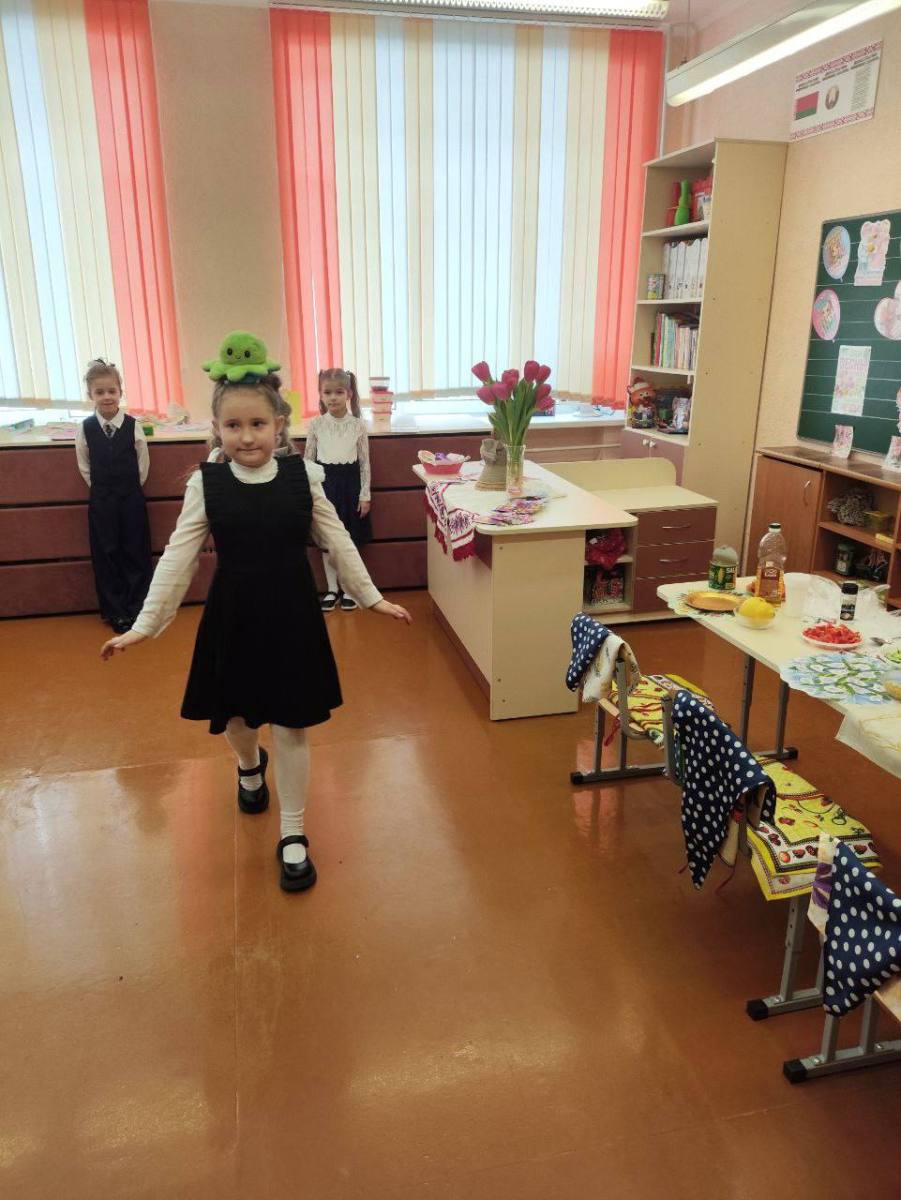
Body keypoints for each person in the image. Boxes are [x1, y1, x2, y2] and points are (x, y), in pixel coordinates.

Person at [101, 347, 411, 892]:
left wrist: (371, 597)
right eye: (233, 426)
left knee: (291, 723)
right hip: (235, 614)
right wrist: (145, 625)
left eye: (258, 424)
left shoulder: (302, 476)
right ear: (217, 429)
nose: (246, 437)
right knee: (238, 721)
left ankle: (293, 831)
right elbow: (177, 557)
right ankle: (249, 765)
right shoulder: (206, 484)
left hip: (292, 614)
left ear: (280, 424)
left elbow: (337, 538)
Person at [75, 359, 152, 633]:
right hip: (102, 500)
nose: (107, 397)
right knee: (106, 553)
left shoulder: (133, 426)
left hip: (131, 497)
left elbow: (143, 463)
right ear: (90, 395)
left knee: (135, 550)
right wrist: (101, 487)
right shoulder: (86, 428)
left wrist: (129, 487)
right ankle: (115, 611)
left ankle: (138, 608)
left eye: (112, 391)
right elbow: (84, 464)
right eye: (100, 392)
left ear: (120, 392)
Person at [304, 369, 372, 612]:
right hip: (325, 487)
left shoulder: (358, 426)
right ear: (321, 395)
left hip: (351, 487)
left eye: (339, 392)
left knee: (348, 541)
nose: (333, 397)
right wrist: (310, 495)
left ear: (349, 394)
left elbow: (364, 463)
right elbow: (308, 462)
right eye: (327, 392)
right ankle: (332, 589)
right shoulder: (316, 425)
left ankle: (349, 590)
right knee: (328, 540)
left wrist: (365, 495)